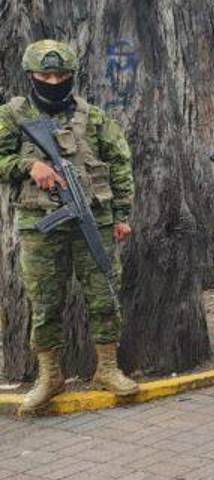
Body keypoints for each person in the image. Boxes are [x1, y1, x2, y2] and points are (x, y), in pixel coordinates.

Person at [0, 40, 138, 415]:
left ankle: (107, 367)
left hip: (94, 218)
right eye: (45, 74)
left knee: (105, 293)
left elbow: (120, 162)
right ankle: (50, 376)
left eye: (61, 75)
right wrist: (28, 166)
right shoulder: (14, 116)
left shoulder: (92, 117)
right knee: (45, 301)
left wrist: (123, 214)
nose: (53, 80)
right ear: (31, 76)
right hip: (40, 225)